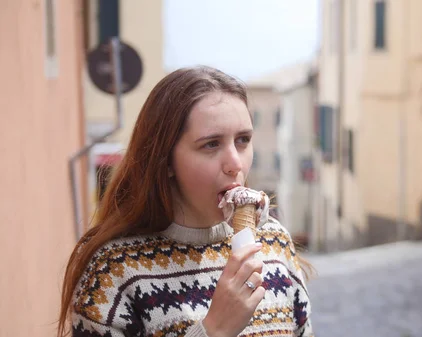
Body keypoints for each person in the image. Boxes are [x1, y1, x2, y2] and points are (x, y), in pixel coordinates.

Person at [57, 66, 314, 337]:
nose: (235, 164)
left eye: (243, 140)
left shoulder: (275, 244)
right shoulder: (113, 270)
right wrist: (213, 329)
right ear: (166, 160)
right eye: (211, 144)